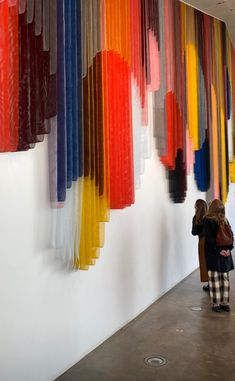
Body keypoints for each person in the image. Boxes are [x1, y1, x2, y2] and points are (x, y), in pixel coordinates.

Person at [203, 199, 234, 312]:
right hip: (225, 254)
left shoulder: (207, 220)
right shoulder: (225, 219)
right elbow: (231, 236)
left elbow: (210, 239)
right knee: (225, 279)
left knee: (214, 279)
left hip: (213, 254)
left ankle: (216, 304)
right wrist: (229, 250)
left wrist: (219, 250)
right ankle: (225, 303)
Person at [192, 199, 209, 291]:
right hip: (211, 242)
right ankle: (214, 282)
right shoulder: (209, 216)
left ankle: (209, 282)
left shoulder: (196, 218)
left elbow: (194, 232)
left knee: (203, 262)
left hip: (202, 242)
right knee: (211, 262)